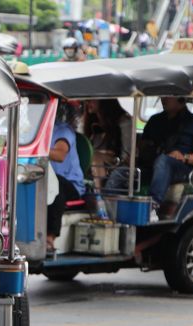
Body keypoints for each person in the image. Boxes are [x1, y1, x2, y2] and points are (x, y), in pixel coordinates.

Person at [142, 97, 193, 220]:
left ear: (180, 97)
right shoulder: (155, 120)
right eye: (162, 95)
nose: (163, 99)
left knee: (163, 161)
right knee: (122, 172)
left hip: (182, 169)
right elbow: (143, 145)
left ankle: (152, 206)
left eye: (168, 95)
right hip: (154, 165)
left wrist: (185, 157)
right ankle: (106, 206)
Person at [46, 101, 86, 252]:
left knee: (55, 184)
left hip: (71, 185)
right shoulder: (39, 131)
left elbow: (60, 154)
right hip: (50, 179)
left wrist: (34, 149)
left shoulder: (63, 131)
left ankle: (50, 237)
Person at [82, 99, 132, 189]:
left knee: (94, 156)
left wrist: (106, 157)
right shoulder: (92, 123)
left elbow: (127, 156)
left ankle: (99, 194)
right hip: (94, 165)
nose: (87, 103)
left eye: (90, 100)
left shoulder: (124, 121)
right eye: (86, 100)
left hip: (118, 165)